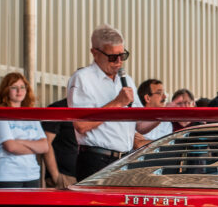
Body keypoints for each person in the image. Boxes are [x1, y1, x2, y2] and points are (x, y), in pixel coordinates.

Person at [67, 25, 156, 180]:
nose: (119, 62)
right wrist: (117, 103)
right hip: (97, 159)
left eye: (123, 56)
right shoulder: (83, 78)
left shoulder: (127, 80)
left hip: (126, 158)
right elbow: (81, 125)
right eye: (113, 57)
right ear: (95, 53)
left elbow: (140, 126)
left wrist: (164, 114)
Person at [0, 73, 48, 188]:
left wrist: (20, 142)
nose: (19, 91)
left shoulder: (31, 115)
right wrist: (34, 147)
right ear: (6, 90)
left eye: (22, 87)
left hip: (32, 175)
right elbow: (11, 147)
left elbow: (45, 147)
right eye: (14, 87)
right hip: (7, 176)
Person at [41, 97, 78, 190]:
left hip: (85, 176)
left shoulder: (89, 108)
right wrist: (56, 177)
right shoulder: (58, 108)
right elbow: (46, 143)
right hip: (64, 178)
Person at [135, 78, 172, 143]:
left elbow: (168, 146)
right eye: (159, 93)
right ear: (147, 98)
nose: (165, 96)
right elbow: (137, 145)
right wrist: (160, 143)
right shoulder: (135, 119)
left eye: (164, 93)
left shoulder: (166, 123)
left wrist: (145, 141)